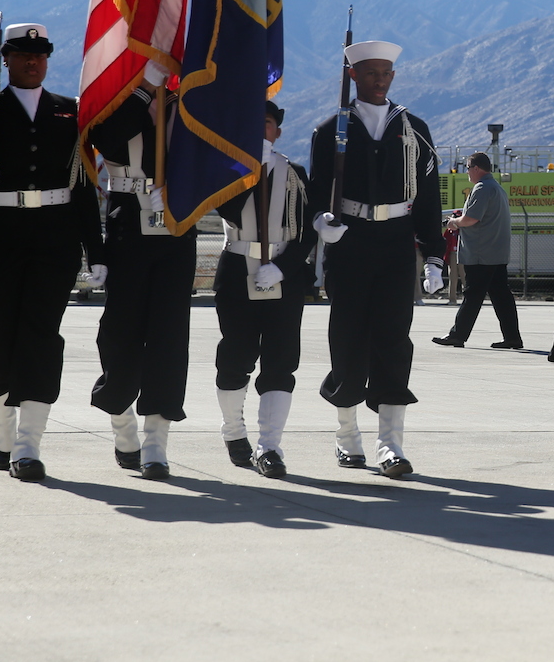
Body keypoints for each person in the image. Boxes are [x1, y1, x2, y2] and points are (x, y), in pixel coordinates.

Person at [0, 23, 104, 482]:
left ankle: (29, 447)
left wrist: (95, 250)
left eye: (40, 55)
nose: (33, 62)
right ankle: (3, 430)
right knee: (1, 338)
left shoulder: (69, 112)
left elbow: (82, 188)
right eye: (22, 55)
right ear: (7, 60)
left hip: (55, 240)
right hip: (1, 238)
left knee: (42, 338)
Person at [309, 40, 446, 478]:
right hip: (349, 243)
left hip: (395, 242)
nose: (380, 80)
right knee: (347, 339)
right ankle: (347, 436)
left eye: (386, 72)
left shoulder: (415, 129)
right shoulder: (331, 129)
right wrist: (319, 221)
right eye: (371, 73)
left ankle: (391, 445)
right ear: (352, 75)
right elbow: (316, 190)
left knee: (392, 340)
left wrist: (434, 256)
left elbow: (428, 198)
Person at [85, 68, 197, 481]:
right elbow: (108, 139)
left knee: (169, 333)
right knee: (120, 329)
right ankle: (121, 418)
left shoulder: (186, 104)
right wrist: (144, 92)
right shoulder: (116, 101)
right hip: (128, 220)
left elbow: (211, 154)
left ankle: (156, 444)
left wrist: (184, 190)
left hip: (176, 222)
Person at [211, 101, 315, 478]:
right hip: (238, 266)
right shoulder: (226, 171)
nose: (261, 130)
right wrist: (248, 169)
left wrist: (284, 268)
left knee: (281, 360)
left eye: (267, 123)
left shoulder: (295, 174)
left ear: (278, 131)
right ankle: (233, 429)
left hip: (281, 273)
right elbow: (229, 209)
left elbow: (305, 235)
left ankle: (269, 446)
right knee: (236, 356)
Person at [433, 151, 521, 349]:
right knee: (501, 295)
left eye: (468, 168)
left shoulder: (482, 188)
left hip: (482, 253)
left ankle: (457, 335)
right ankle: (512, 337)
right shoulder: (496, 188)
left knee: (472, 295)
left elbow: (471, 219)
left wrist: (454, 222)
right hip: (496, 252)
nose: (467, 173)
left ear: (476, 168)